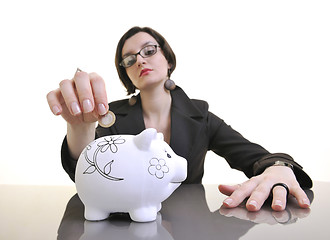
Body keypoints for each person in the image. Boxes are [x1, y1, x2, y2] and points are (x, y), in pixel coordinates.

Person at [47, 26, 312, 212]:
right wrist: (80, 126)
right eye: (128, 59)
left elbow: (255, 157)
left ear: (168, 58)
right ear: (126, 73)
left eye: (148, 50)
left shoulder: (201, 116)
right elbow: (86, 173)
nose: (139, 60)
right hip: (124, 227)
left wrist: (277, 167)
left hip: (191, 226)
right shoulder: (109, 117)